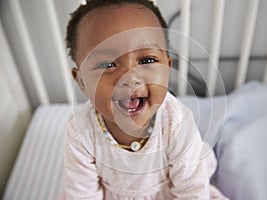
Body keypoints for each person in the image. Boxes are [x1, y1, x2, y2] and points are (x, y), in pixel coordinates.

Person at [64, 0, 228, 199]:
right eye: (107, 64)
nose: (130, 77)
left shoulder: (175, 121)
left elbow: (191, 190)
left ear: (167, 66)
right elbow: (83, 195)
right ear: (81, 82)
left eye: (146, 60)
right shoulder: (81, 131)